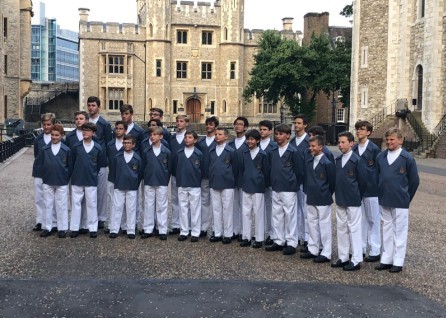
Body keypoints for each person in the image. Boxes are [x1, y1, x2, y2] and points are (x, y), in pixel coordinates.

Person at [375, 128, 419, 273]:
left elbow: (414, 181)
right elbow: (377, 177)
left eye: (392, 139)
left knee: (400, 231)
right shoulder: (381, 157)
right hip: (384, 198)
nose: (389, 142)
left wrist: (406, 197)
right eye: (387, 140)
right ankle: (386, 259)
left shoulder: (407, 158)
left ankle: (398, 261)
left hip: (400, 200)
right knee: (386, 229)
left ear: (400, 140)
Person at [332, 131, 367, 271]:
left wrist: (357, 196)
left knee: (355, 229)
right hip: (340, 198)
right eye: (339, 142)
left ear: (351, 143)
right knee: (341, 228)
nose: (340, 145)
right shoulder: (338, 160)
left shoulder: (357, 160)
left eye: (343, 142)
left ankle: (356, 259)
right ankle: (343, 256)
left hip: (353, 199)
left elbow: (363, 181)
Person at [265, 124, 300, 255]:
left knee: (290, 215)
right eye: (277, 134)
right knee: (276, 214)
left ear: (288, 136)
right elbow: (269, 168)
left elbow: (298, 170)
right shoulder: (272, 151)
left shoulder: (293, 151)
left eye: (281, 134)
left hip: (289, 187)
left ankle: (291, 242)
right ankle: (278, 239)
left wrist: (293, 182)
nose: (278, 136)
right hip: (276, 186)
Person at [301, 135, 335, 263]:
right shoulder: (309, 161)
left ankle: (326, 252)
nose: (311, 148)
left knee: (324, 224)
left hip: (323, 197)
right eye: (310, 146)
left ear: (320, 147)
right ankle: (313, 248)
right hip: (311, 196)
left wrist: (326, 193)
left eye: (313, 146)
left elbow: (332, 182)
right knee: (312, 223)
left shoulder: (327, 163)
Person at [70, 123, 107, 238]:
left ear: (93, 133)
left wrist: (93, 173)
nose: (85, 132)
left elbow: (100, 164)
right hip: (77, 178)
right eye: (83, 130)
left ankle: (92, 228)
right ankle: (75, 228)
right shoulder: (76, 147)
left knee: (92, 203)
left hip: (91, 179)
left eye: (88, 130)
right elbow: (71, 162)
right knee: (76, 204)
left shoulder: (97, 148)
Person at [353, 120, 382, 262]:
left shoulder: (374, 149)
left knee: (373, 220)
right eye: (357, 129)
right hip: (358, 189)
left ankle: (375, 250)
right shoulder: (354, 149)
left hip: (371, 189)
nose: (359, 131)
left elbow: (379, 170)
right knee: (360, 220)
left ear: (368, 132)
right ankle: (361, 248)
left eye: (362, 129)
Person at [38, 124, 73, 238]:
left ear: (61, 136)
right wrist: (44, 176)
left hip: (61, 180)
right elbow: (41, 164)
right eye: (52, 135)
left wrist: (65, 177)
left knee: (61, 204)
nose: (54, 137)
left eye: (57, 135)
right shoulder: (45, 149)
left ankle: (62, 228)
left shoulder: (66, 150)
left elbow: (70, 165)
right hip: (48, 180)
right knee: (47, 204)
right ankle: (47, 227)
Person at [240, 129, 270, 248]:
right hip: (247, 185)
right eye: (248, 139)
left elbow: (266, 171)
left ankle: (259, 238)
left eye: (252, 139)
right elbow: (242, 169)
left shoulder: (263, 154)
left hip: (258, 186)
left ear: (257, 141)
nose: (249, 141)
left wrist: (262, 182)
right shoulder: (244, 154)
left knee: (258, 213)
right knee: (246, 212)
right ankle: (246, 237)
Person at [109, 134, 143, 239]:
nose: (126, 145)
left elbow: (140, 173)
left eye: (128, 143)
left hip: (132, 186)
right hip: (119, 185)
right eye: (124, 143)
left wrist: (136, 184)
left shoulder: (137, 158)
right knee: (117, 207)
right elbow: (113, 171)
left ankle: (131, 230)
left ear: (133, 145)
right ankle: (114, 229)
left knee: (131, 208)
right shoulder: (118, 157)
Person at [209, 128, 239, 244]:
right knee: (216, 209)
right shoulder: (211, 151)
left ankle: (228, 233)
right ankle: (217, 232)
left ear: (226, 137)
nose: (217, 136)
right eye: (216, 134)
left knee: (227, 209)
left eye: (220, 134)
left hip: (227, 183)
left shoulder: (231, 151)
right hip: (214, 182)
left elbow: (235, 168)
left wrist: (231, 179)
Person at [141, 126, 171, 241]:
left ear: (161, 136)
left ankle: (162, 229)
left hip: (161, 181)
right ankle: (148, 229)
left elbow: (169, 167)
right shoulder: (146, 151)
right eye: (151, 135)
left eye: (154, 135)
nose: (152, 137)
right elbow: (143, 166)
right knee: (148, 205)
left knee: (161, 206)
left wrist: (165, 179)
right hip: (149, 181)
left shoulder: (166, 152)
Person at [87, 96, 112, 230]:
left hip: (101, 161)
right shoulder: (84, 121)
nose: (91, 108)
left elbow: (108, 143)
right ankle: (89, 217)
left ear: (98, 107)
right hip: (86, 161)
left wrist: (107, 160)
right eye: (89, 105)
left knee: (101, 191)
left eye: (93, 105)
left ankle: (101, 217)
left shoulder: (105, 124)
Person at [175, 130, 203, 242]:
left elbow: (202, 169)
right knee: (183, 208)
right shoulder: (179, 153)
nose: (187, 139)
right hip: (182, 183)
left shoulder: (199, 154)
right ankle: (184, 231)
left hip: (194, 184)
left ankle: (195, 232)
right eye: (186, 137)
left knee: (195, 209)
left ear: (195, 140)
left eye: (190, 137)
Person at [32, 113, 56, 232]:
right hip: (39, 171)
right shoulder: (38, 139)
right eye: (44, 124)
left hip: (53, 173)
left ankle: (54, 222)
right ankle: (40, 221)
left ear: (53, 124)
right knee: (39, 197)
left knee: (54, 198)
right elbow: (37, 155)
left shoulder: (57, 138)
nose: (46, 127)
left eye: (49, 124)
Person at [289, 114, 310, 251]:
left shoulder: (310, 142)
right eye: (295, 123)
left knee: (306, 211)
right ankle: (296, 235)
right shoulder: (291, 142)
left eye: (299, 123)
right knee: (294, 210)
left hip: (306, 180)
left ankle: (307, 238)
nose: (296, 125)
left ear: (305, 125)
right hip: (292, 181)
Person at [196, 116, 219, 237]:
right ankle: (203, 227)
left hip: (216, 177)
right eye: (207, 124)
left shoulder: (219, 141)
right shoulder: (201, 142)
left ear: (215, 126)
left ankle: (217, 228)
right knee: (204, 202)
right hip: (204, 176)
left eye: (211, 124)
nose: (208, 127)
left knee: (216, 204)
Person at [228, 116, 249, 241]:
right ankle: (235, 230)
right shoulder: (230, 144)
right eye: (236, 124)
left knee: (244, 206)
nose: (237, 126)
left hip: (244, 177)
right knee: (233, 205)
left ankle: (244, 231)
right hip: (232, 178)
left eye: (240, 124)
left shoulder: (249, 143)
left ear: (245, 127)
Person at [104, 121, 127, 234]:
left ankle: (124, 225)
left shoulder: (128, 144)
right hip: (112, 176)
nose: (118, 130)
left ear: (125, 130)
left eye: (121, 128)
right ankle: (112, 224)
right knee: (112, 201)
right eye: (116, 128)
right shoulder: (110, 144)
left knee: (125, 202)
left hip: (124, 178)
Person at [168, 114, 189, 234]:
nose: (179, 123)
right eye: (177, 121)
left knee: (187, 200)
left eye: (181, 121)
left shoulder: (190, 137)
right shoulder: (172, 138)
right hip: (175, 172)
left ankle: (187, 225)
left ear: (186, 123)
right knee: (175, 199)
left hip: (186, 173)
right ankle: (176, 224)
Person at [258, 120, 277, 246]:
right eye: (261, 129)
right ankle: (260, 233)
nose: (262, 132)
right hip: (257, 181)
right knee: (258, 208)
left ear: (270, 131)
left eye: (265, 129)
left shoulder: (274, 146)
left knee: (271, 209)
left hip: (269, 181)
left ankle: (271, 233)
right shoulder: (255, 144)